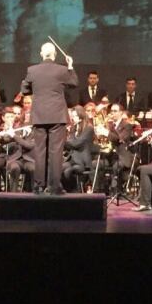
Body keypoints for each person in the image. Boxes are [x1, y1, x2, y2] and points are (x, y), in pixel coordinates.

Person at [20, 42, 78, 194]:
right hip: (57, 115)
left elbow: (25, 91)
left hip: (39, 115)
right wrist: (70, 66)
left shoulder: (32, 70)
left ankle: (38, 185)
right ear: (54, 54)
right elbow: (74, 83)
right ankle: (54, 187)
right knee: (56, 151)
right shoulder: (62, 70)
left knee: (39, 151)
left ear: (41, 54)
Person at [62, 106, 95, 192]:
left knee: (67, 171)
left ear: (81, 116)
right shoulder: (74, 128)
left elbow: (77, 144)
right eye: (72, 116)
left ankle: (74, 192)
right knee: (60, 168)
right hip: (72, 159)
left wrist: (63, 140)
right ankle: (65, 193)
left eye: (75, 116)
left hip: (82, 161)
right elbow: (69, 144)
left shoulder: (89, 128)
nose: (73, 118)